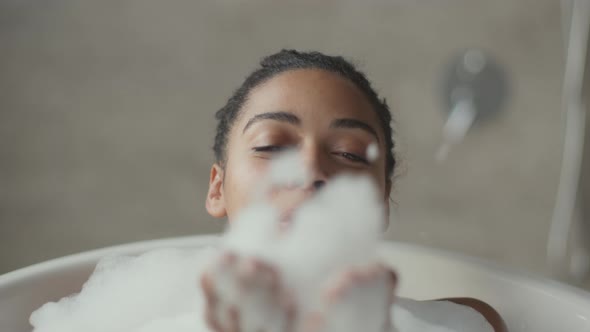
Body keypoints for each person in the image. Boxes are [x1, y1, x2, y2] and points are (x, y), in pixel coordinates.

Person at [202, 49, 507, 332]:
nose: (309, 170)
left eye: (350, 154)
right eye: (271, 145)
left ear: (382, 202)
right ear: (217, 189)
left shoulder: (463, 324)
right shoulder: (159, 315)